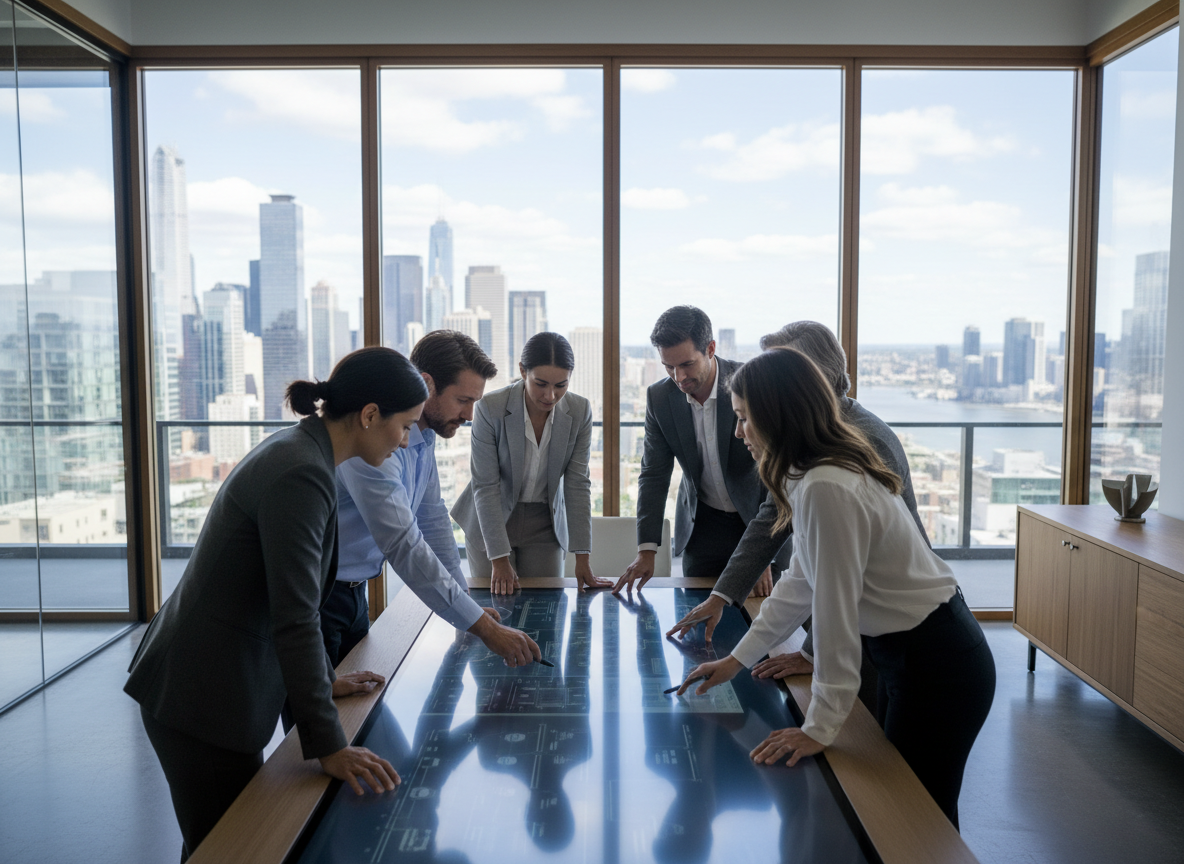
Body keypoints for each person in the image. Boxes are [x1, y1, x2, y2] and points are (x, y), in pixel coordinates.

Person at [675, 347, 995, 829]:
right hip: (909, 654)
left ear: (778, 416)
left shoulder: (826, 485)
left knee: (919, 823)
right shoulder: (809, 474)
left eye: (744, 418)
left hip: (938, 663)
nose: (738, 432)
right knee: (906, 813)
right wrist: (736, 660)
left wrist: (818, 728)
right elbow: (800, 582)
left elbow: (834, 613)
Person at [125, 348, 424, 861]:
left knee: (221, 845)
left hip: (211, 680)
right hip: (203, 694)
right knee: (228, 850)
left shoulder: (304, 453)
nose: (405, 441)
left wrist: (325, 678)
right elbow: (297, 616)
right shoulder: (301, 473)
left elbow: (287, 596)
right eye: (405, 426)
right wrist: (330, 746)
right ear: (370, 415)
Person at [667, 321, 931, 707]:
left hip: (903, 630)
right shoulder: (810, 438)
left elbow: (844, 584)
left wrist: (810, 657)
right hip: (882, 625)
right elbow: (780, 532)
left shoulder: (857, 445)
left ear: (806, 377)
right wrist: (723, 597)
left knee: (872, 730)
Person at [329, 330, 541, 670]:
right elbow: (404, 543)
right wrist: (483, 628)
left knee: (356, 695)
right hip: (321, 597)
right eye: (463, 400)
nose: (470, 414)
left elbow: (432, 519)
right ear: (427, 385)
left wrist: (466, 606)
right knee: (320, 704)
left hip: (354, 592)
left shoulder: (424, 437)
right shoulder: (377, 438)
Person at [614, 306, 787, 593]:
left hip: (758, 521)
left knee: (762, 614)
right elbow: (654, 474)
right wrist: (647, 550)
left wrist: (765, 551)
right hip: (702, 529)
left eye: (687, 364)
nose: (679, 377)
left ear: (710, 348)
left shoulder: (751, 382)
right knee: (696, 612)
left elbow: (779, 468)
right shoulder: (659, 397)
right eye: (669, 367)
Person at [452, 332, 612, 594]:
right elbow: (485, 485)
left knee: (546, 605)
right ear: (523, 371)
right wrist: (499, 559)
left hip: (545, 523)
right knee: (496, 606)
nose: (550, 395)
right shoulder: (490, 408)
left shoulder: (580, 411)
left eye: (561, 385)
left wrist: (582, 558)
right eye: (541, 384)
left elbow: (577, 484)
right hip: (491, 519)